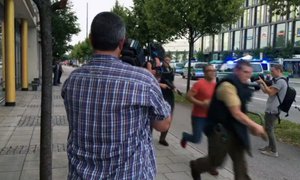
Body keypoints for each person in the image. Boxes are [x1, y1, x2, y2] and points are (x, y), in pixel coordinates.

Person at [61, 12, 172, 180]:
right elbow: (163, 125)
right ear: (122, 42)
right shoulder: (143, 80)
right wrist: (151, 81)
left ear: (91, 40)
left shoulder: (73, 80)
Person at [189, 60, 267, 180]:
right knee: (215, 162)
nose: (248, 75)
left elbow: (241, 110)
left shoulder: (242, 85)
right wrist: (254, 125)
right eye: (245, 72)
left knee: (240, 165)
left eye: (249, 73)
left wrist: (250, 126)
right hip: (221, 131)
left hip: (236, 129)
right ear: (236, 71)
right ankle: (196, 166)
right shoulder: (227, 86)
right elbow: (236, 112)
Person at [180, 64, 216, 148]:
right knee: (196, 139)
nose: (212, 72)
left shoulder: (215, 85)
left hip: (211, 116)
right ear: (204, 73)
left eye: (214, 70)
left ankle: (211, 158)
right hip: (198, 116)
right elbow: (188, 96)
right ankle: (185, 136)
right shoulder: (199, 84)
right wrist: (202, 103)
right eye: (209, 70)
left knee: (213, 138)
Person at [256, 64, 287, 157]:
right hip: (271, 108)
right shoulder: (277, 81)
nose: (271, 73)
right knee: (268, 128)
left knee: (270, 129)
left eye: (272, 71)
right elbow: (266, 91)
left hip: (274, 109)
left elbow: (270, 92)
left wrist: (263, 82)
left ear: (278, 70)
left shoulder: (281, 81)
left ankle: (274, 151)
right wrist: (261, 84)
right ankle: (270, 147)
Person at [158, 55, 176, 146]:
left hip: (169, 94)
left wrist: (173, 87)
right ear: (163, 61)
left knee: (169, 115)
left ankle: (162, 138)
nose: (167, 62)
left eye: (169, 60)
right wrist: (161, 84)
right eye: (166, 60)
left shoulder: (171, 69)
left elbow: (171, 81)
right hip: (161, 93)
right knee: (158, 114)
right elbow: (155, 80)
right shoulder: (159, 69)